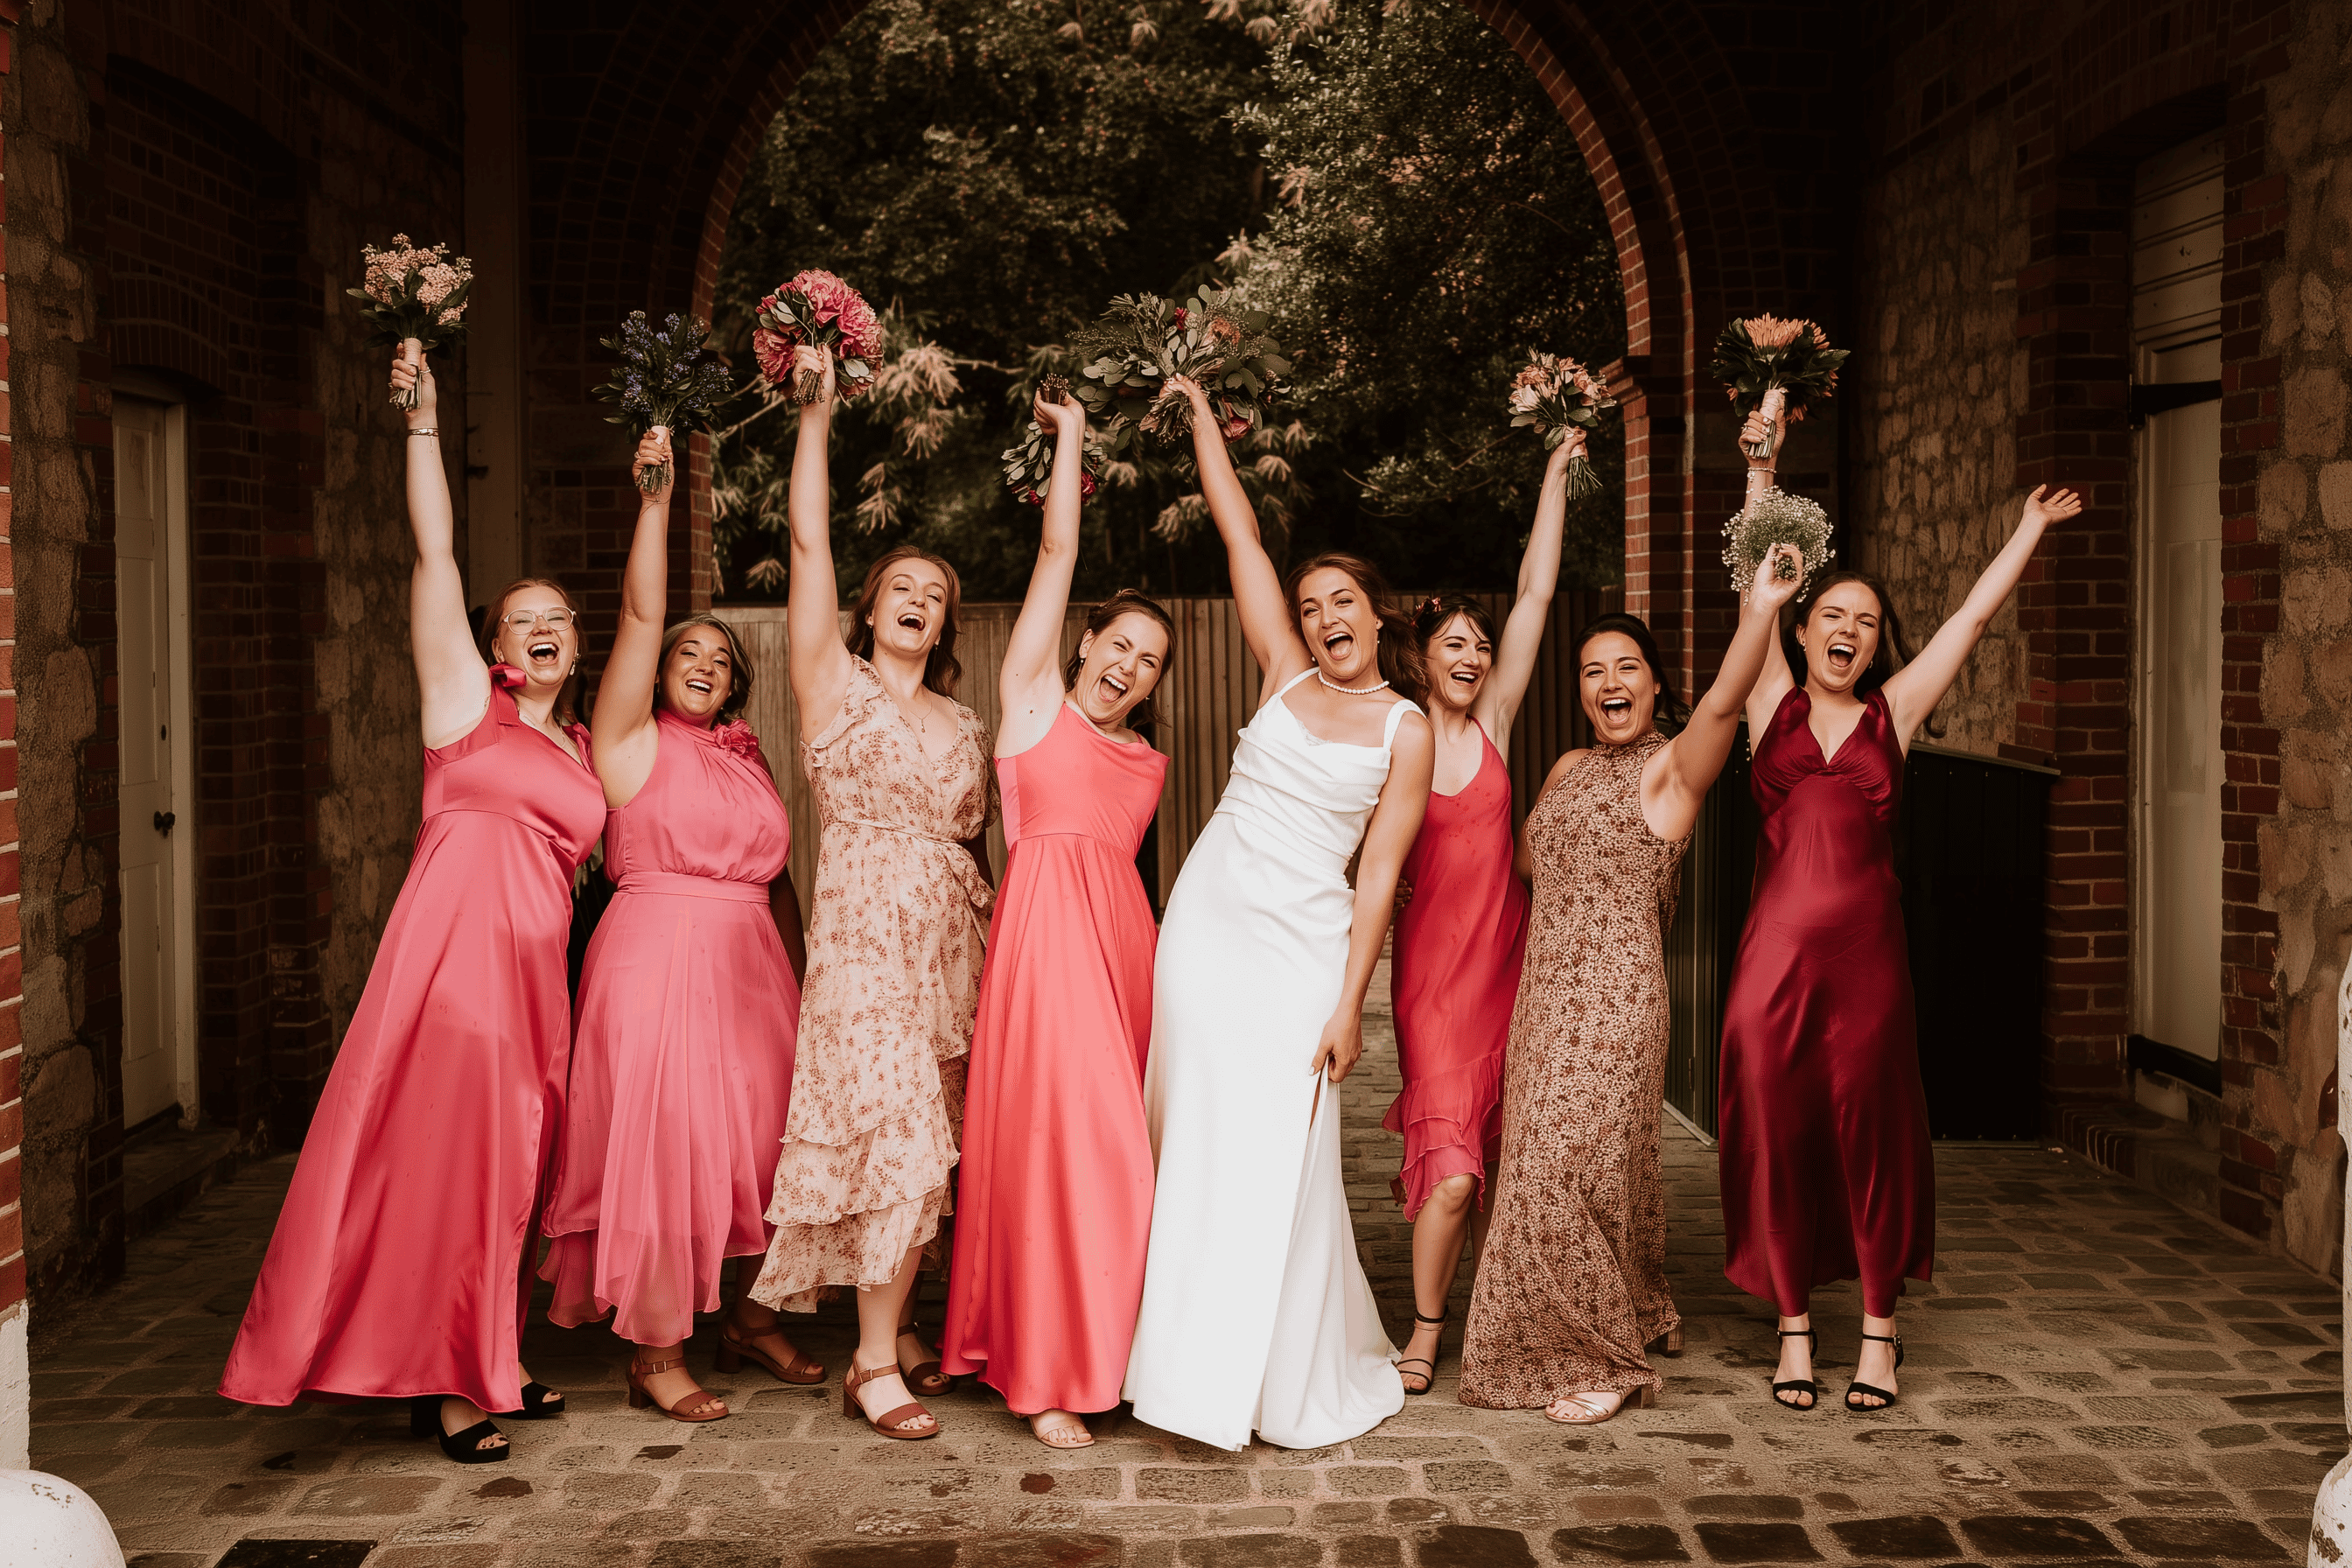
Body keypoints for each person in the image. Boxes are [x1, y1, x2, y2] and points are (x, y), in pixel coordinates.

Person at [220, 346, 607, 1463]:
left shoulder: (578, 747)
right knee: (451, 1169)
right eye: (524, 616)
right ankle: (447, 1386)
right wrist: (424, 425)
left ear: (574, 646)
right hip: (454, 980)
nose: (544, 627)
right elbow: (434, 552)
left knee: (513, 1172)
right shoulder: (462, 708)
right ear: (495, 643)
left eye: (562, 619)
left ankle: (493, 1354)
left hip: (536, 986)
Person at [1721, 410, 2082, 1414]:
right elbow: (1754, 579)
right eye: (1832, 614)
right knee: (1779, 1125)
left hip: (1868, 959)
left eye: (1867, 621)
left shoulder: (1895, 714)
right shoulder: (1769, 704)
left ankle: (1879, 1333)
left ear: (1880, 644)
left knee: (1875, 1129)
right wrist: (1763, 470)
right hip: (1773, 961)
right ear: (1801, 626)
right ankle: (1794, 1324)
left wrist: (2027, 531)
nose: (1847, 630)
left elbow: (1969, 619)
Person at [1122, 375, 1434, 1452]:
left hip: (1303, 954)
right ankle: (1173, 1365)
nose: (1321, 618)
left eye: (1339, 601)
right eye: (1308, 607)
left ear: (1375, 610)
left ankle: (1268, 1374)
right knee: (1191, 1136)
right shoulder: (1280, 674)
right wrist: (1202, 417)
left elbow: (1382, 876)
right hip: (1206, 927)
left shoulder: (1406, 727)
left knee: (1275, 1154)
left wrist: (1354, 1004)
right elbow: (1240, 534)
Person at [1460, 542, 1804, 1425]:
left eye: (1626, 669)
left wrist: (1760, 608)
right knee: (1609, 1170)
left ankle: (1600, 1357)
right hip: (1544, 1000)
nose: (1607, 682)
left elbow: (1728, 698)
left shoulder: (1673, 771)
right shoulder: (1568, 768)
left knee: (1560, 1171)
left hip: (1618, 1003)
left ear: (1655, 685)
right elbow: (1527, 866)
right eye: (1590, 671)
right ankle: (1646, 1307)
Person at [538, 427, 818, 1424]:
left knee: (760, 1139)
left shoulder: (745, 755)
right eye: (686, 653)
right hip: (657, 956)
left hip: (754, 966)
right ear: (657, 671)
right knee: (670, 1143)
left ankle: (747, 1312)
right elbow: (640, 609)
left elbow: (780, 877)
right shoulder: (627, 738)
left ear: (736, 685)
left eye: (721, 658)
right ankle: (657, 1348)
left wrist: (804, 974)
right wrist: (654, 499)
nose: (702, 662)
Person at [750, 344, 996, 1443]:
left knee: (929, 1140)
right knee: (893, 1131)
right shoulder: (829, 683)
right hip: (860, 946)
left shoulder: (968, 723)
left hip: (955, 950)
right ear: (872, 607)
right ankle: (869, 1362)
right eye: (902, 586)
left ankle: (891, 1324)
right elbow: (807, 539)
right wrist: (815, 412)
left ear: (946, 627)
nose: (918, 601)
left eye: (935, 597)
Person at [939, 392, 1175, 1450]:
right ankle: (1043, 1372)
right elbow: (1055, 550)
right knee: (1079, 1152)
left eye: (1150, 659)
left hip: (1125, 954)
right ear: (1086, 644)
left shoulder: (1149, 761)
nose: (1129, 666)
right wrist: (1072, 437)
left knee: (1121, 1155)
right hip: (1046, 957)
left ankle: (1112, 1356)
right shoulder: (1035, 704)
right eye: (1119, 644)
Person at [1383, 429, 1581, 1396]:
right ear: (1421, 656)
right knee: (1455, 1170)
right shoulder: (1397, 740)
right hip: (1430, 984)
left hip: (1512, 970)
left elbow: (1537, 592)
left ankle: (1518, 1307)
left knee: (1510, 1160)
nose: (1474, 652)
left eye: (1480, 643)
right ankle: (1426, 1331)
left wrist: (1552, 477)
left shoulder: (1494, 723)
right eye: (1455, 642)